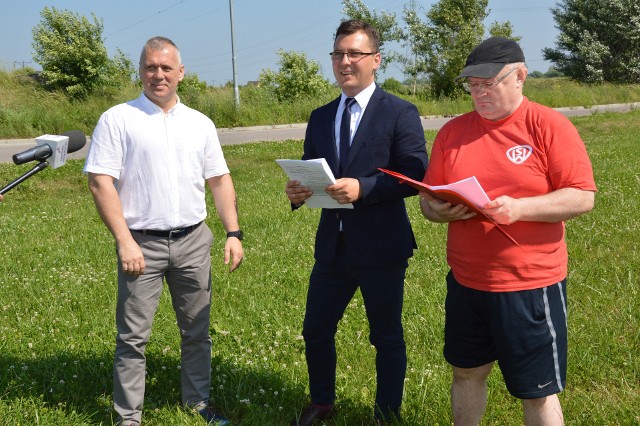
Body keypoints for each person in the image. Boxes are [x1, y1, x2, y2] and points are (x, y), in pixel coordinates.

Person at [420, 36, 596, 425]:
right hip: (467, 281)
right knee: (466, 372)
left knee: (537, 391)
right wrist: (438, 210)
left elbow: (582, 197)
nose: (479, 92)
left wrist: (521, 208)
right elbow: (428, 201)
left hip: (529, 284)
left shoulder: (549, 125)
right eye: (472, 85)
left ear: (520, 77)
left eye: (489, 83)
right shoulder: (453, 133)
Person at [84, 36, 243, 426]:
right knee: (133, 339)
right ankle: (128, 417)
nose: (158, 74)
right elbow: (100, 181)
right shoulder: (118, 119)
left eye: (166, 68)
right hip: (141, 245)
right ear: (140, 71)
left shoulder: (200, 123)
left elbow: (219, 179)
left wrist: (233, 233)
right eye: (151, 67)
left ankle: (197, 403)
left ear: (181, 73)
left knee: (197, 332)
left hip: (193, 240)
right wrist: (124, 242)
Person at [286, 19, 428, 426]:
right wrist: (299, 193)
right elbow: (315, 173)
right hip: (333, 246)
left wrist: (365, 187)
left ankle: (386, 414)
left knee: (385, 337)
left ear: (376, 60)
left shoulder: (399, 112)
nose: (344, 62)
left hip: (382, 246)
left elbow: (415, 174)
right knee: (315, 330)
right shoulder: (320, 116)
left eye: (354, 53)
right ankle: (322, 402)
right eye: (338, 54)